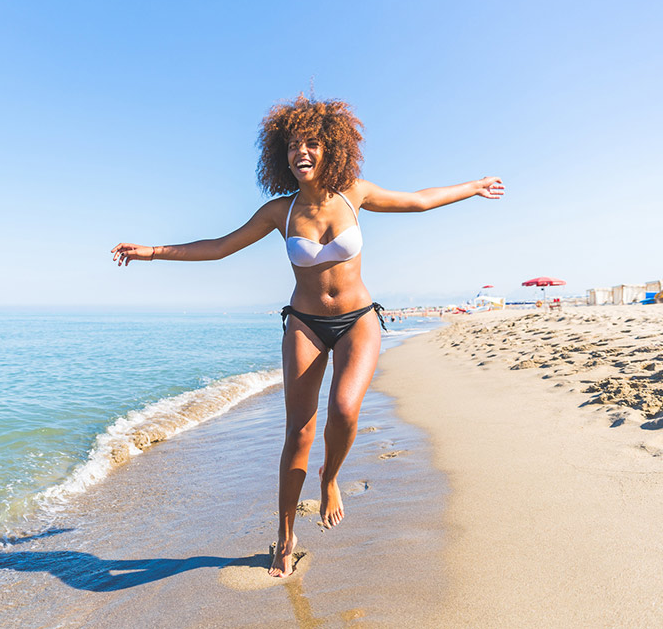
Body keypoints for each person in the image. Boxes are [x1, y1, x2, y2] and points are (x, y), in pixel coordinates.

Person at [111, 94, 504, 578]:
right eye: (294, 144)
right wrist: (152, 251)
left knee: (343, 410)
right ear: (282, 155)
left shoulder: (354, 194)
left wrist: (475, 186)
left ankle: (331, 479)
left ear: (331, 148)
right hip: (304, 323)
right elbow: (219, 247)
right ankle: (284, 534)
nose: (302, 151)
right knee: (298, 430)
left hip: (357, 318)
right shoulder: (281, 210)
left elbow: (420, 200)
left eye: (312, 142)